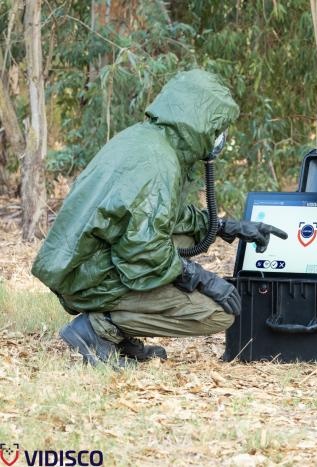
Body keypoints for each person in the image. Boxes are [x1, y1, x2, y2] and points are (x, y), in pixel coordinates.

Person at [31, 69, 287, 367]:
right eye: (218, 126)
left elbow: (163, 217)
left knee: (185, 239)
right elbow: (144, 250)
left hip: (85, 263)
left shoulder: (146, 140)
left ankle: (114, 333)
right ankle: (98, 329)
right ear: (200, 121)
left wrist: (227, 227)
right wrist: (201, 278)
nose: (219, 137)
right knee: (218, 312)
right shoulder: (159, 163)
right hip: (91, 276)